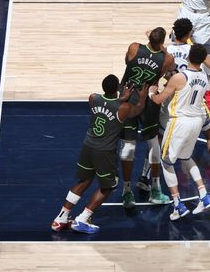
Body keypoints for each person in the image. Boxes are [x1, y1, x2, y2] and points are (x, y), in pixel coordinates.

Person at [50, 76, 149, 234]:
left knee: (84, 180)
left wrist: (122, 96)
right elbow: (137, 110)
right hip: (104, 151)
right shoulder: (123, 107)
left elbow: (109, 104)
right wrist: (142, 97)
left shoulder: (93, 98)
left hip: (88, 146)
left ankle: (61, 218)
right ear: (117, 88)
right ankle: (83, 218)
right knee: (109, 185)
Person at [149, 45, 210, 221]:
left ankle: (177, 204)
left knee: (166, 162)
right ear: (202, 60)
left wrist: (151, 93)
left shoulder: (180, 77)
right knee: (186, 158)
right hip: (197, 122)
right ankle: (204, 195)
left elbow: (159, 100)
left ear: (188, 56)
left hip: (180, 122)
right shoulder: (204, 77)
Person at [118, 27, 174, 209]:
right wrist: (162, 49)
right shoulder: (167, 58)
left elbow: (127, 61)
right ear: (163, 42)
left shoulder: (134, 47)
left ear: (149, 36)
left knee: (128, 146)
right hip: (148, 101)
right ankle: (156, 190)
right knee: (153, 143)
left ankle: (127, 192)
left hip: (128, 98)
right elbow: (168, 71)